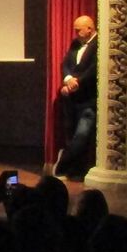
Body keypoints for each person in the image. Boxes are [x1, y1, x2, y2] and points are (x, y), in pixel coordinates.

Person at [54, 15, 99, 181]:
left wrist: (77, 82)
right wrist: (67, 80)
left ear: (90, 27)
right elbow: (65, 64)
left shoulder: (99, 44)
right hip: (72, 99)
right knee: (73, 134)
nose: (76, 33)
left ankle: (61, 165)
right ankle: (75, 171)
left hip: (88, 98)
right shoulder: (75, 45)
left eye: (79, 29)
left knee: (82, 135)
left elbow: (95, 69)